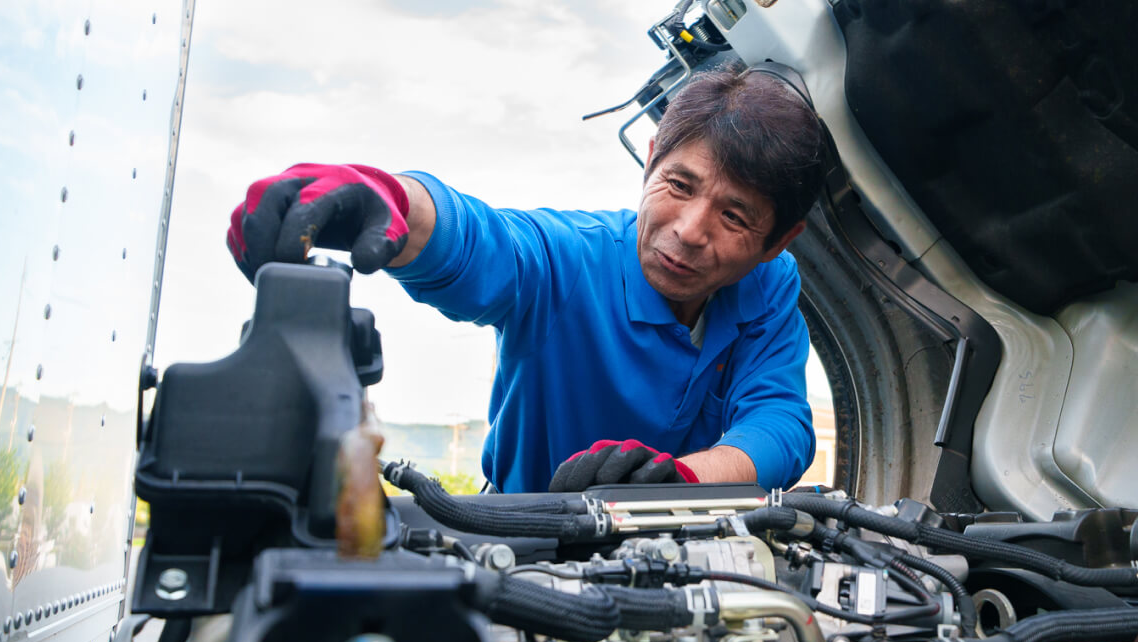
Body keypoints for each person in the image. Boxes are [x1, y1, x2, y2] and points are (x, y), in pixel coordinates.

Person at [224, 66, 827, 493]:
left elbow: (779, 421)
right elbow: (483, 244)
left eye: (734, 216)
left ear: (778, 241)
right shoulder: (569, 260)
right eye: (679, 184)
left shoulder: (769, 285)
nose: (691, 231)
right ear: (650, 162)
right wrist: (389, 199)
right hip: (523, 545)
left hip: (691, 555)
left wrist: (680, 481)